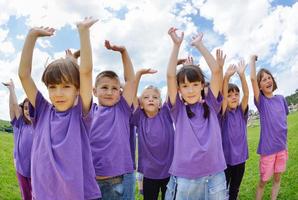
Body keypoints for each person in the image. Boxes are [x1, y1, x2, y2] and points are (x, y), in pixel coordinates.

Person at [18, 17, 101, 199]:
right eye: (52, 87)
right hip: (44, 194)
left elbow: (86, 72)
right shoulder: (42, 110)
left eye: (66, 86)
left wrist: (83, 32)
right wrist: (31, 36)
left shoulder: (81, 113)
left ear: (77, 89)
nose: (58, 93)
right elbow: (24, 75)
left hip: (79, 194)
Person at [165, 27, 227, 199]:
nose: (190, 90)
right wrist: (176, 45)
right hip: (186, 178)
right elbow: (170, 75)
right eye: (184, 86)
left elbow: (216, 71)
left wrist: (199, 45)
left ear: (201, 85)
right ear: (179, 90)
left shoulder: (212, 105)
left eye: (194, 84)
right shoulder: (178, 110)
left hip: (215, 175)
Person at [90, 40, 135, 200]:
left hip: (117, 181)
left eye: (114, 88)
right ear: (94, 91)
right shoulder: (89, 112)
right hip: (91, 181)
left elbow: (131, 80)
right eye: (104, 87)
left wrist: (123, 52)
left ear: (120, 92)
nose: (109, 92)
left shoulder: (122, 110)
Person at [130, 68, 174, 200]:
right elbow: (132, 94)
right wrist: (138, 75)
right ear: (141, 104)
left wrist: (175, 69)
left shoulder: (166, 113)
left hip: (170, 172)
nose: (151, 99)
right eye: (146, 97)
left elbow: (172, 90)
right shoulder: (140, 117)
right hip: (149, 174)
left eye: (155, 97)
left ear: (160, 103)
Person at [250, 55, 289, 200]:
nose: (267, 80)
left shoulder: (281, 99)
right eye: (263, 79)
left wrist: (285, 145)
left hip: (282, 148)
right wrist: (252, 60)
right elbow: (253, 79)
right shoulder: (261, 102)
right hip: (268, 151)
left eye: (269, 78)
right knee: (263, 181)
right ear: (260, 86)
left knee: (277, 179)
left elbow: (282, 123)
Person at [220, 60, 249, 200]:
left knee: (234, 189)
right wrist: (227, 77)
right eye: (230, 95)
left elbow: (247, 94)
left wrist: (242, 75)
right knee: (223, 189)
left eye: (236, 94)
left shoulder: (241, 111)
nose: (234, 97)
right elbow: (222, 96)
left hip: (241, 159)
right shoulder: (224, 113)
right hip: (226, 160)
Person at [3, 79, 33, 200]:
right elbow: (14, 106)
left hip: (37, 171)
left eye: (31, 108)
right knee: (26, 196)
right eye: (26, 108)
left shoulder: (41, 125)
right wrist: (12, 89)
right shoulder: (20, 124)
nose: (28, 111)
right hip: (21, 169)